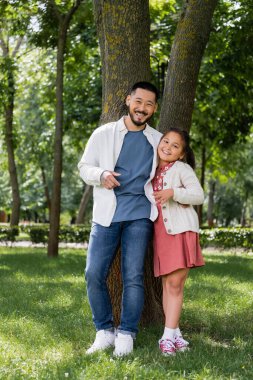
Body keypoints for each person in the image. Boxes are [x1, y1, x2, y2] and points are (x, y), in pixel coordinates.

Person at [78, 81, 162, 356]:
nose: (142, 108)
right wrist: (101, 175)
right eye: (139, 101)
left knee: (134, 276)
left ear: (154, 108)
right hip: (106, 214)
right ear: (128, 100)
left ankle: (126, 333)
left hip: (140, 215)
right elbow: (84, 167)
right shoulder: (104, 134)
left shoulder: (157, 140)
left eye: (149, 104)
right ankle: (104, 331)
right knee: (93, 273)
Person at [152, 128, 205, 356]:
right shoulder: (152, 168)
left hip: (181, 231)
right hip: (160, 232)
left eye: (175, 146)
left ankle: (166, 338)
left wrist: (174, 192)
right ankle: (176, 334)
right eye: (165, 141)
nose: (168, 147)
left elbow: (199, 195)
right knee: (167, 285)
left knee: (175, 285)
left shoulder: (181, 169)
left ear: (182, 154)